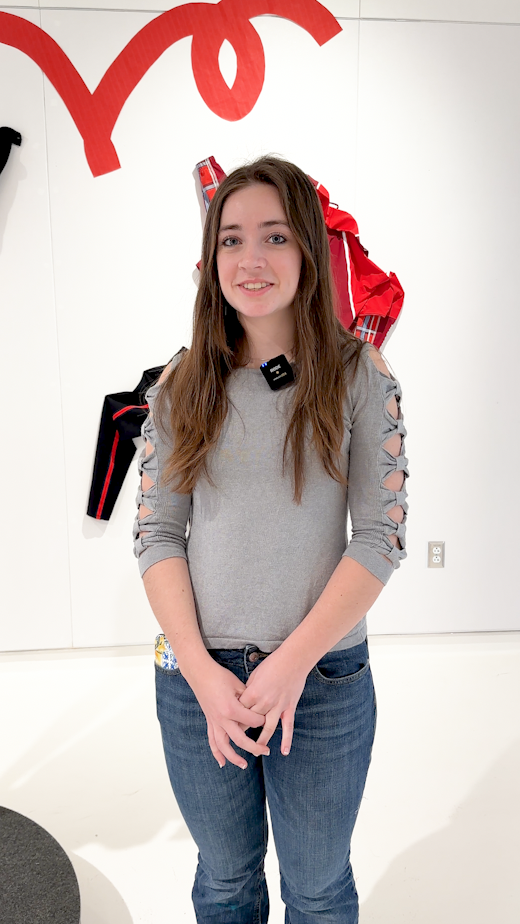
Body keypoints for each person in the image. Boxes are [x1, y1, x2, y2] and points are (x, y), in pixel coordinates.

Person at [132, 155, 409, 923]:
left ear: (309, 249)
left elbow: (380, 536)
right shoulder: (181, 383)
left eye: (275, 236)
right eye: (231, 239)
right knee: (224, 881)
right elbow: (157, 534)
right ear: (211, 255)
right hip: (197, 681)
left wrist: (291, 664)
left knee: (317, 889)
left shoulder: (360, 374)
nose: (250, 258)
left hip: (322, 682)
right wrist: (199, 672)